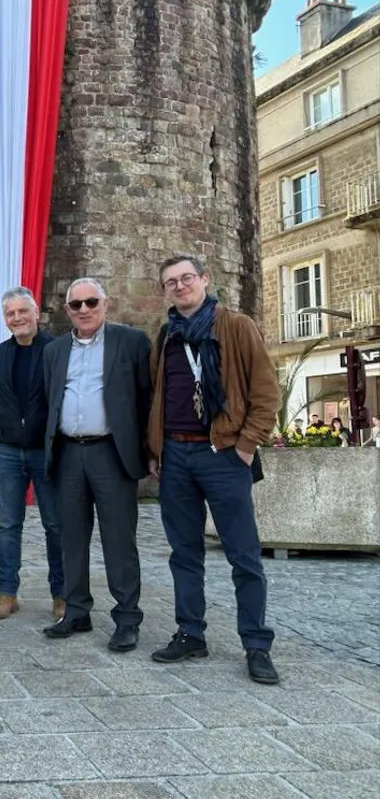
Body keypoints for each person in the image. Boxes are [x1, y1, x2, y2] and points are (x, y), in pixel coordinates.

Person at [147, 255, 281, 684]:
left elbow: (265, 391)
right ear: (164, 291)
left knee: (243, 554)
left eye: (187, 278)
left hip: (223, 454)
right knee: (184, 553)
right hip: (176, 457)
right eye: (171, 282)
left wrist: (245, 445)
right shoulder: (167, 336)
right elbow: (158, 396)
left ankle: (256, 644)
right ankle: (191, 633)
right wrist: (155, 448)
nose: (180, 286)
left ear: (205, 279)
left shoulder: (237, 326)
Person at [42, 278, 151, 652]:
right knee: (70, 537)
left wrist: (148, 451)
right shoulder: (55, 351)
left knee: (119, 539)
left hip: (112, 452)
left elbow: (146, 399)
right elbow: (51, 399)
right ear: (67, 310)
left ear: (106, 304)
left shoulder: (132, 343)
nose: (84, 310)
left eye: (91, 302)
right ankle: (76, 611)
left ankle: (126, 618)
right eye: (76, 305)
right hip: (69, 452)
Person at [0, 287, 64, 622]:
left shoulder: (57, 350)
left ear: (36, 313)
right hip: (7, 451)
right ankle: (7, 593)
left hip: (46, 452)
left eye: (22, 312)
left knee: (55, 525)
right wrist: (7, 426)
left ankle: (61, 595)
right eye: (10, 314)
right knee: (7, 525)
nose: (17, 318)